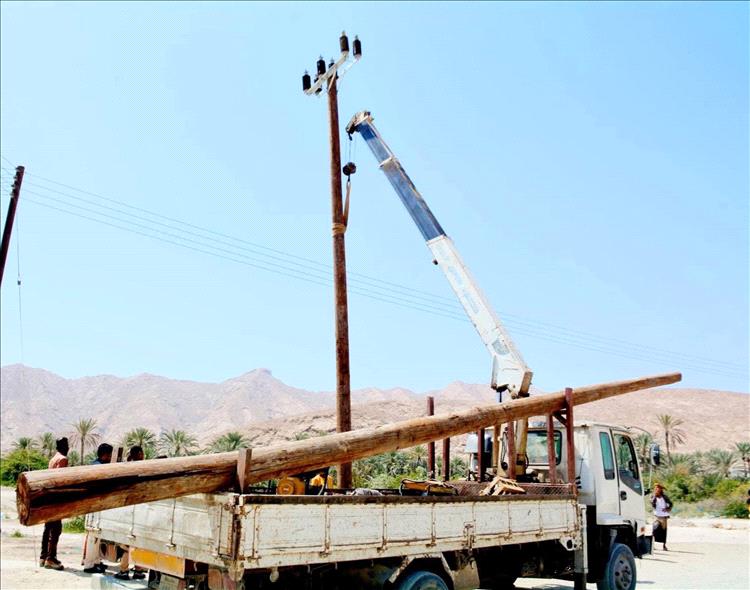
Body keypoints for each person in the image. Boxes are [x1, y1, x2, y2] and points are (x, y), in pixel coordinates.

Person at [114, 446, 147, 580]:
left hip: (129, 509)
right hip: (140, 509)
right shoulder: (143, 468)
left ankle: (124, 570)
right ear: (139, 454)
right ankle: (137, 569)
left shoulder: (128, 468)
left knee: (127, 541)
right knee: (136, 541)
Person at [83, 443, 114, 574]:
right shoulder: (98, 467)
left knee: (97, 535)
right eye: (109, 455)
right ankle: (89, 565)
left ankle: (95, 562)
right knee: (93, 536)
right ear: (105, 455)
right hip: (94, 505)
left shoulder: (96, 465)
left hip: (96, 504)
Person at [39, 437, 69, 571]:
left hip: (48, 498)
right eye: (67, 445)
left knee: (48, 528)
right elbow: (59, 480)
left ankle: (43, 556)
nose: (68, 448)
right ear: (64, 446)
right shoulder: (63, 459)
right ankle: (51, 558)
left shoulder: (53, 459)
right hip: (55, 499)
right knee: (56, 529)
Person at [651, 483, 673, 550]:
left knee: (664, 531)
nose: (656, 489)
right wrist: (654, 496)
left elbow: (671, 504)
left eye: (658, 488)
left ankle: (664, 546)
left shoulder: (665, 497)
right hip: (657, 515)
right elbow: (652, 503)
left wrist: (667, 508)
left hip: (664, 515)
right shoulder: (653, 496)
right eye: (656, 488)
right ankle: (652, 545)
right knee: (655, 529)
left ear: (660, 489)